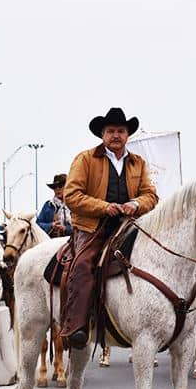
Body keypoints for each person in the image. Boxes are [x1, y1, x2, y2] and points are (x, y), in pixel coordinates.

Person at [61, 107, 159, 349]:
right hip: (94, 227)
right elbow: (71, 195)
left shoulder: (138, 163)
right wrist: (104, 207)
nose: (116, 135)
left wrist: (134, 204)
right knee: (83, 265)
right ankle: (77, 325)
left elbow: (151, 195)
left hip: (131, 225)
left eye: (121, 131)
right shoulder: (85, 159)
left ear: (127, 135)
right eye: (111, 131)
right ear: (102, 134)